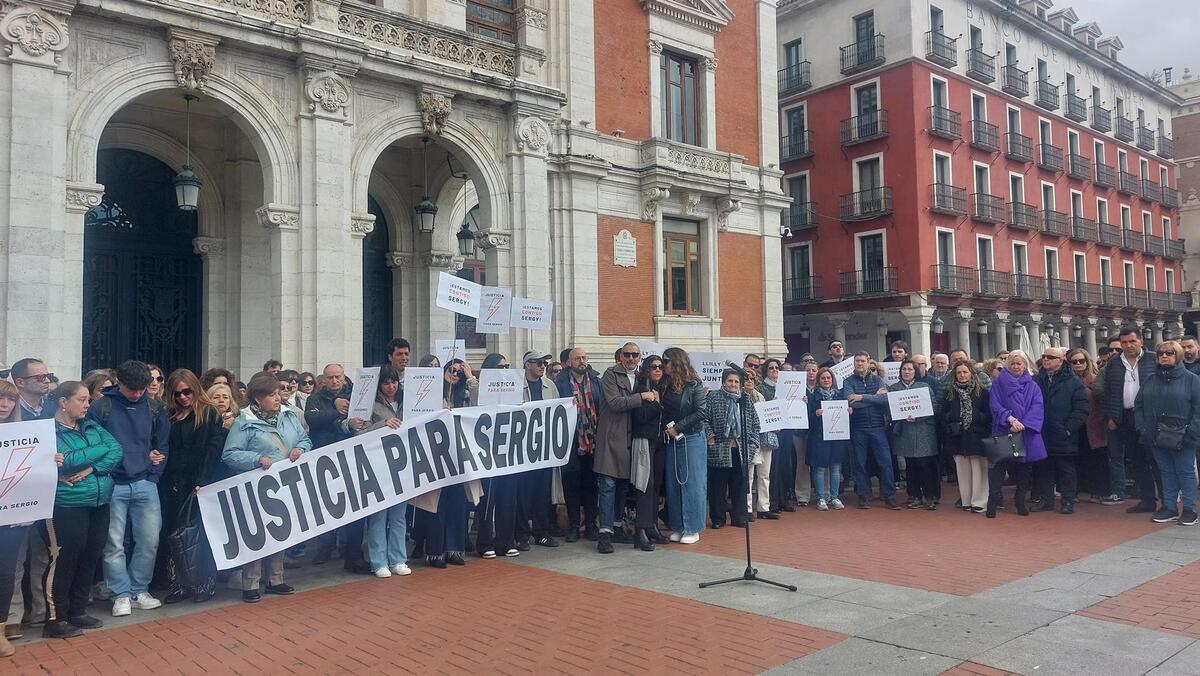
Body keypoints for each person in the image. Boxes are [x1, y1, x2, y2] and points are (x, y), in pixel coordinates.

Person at [36, 382, 120, 639]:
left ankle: (78, 611)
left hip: (99, 501)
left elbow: (116, 450)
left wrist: (92, 467)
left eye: (87, 400)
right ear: (63, 402)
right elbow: (66, 461)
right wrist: (96, 452)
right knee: (64, 558)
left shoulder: (91, 426)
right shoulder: (48, 430)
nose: (87, 405)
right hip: (66, 503)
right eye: (82, 400)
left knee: (89, 555)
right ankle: (55, 618)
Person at [88, 360, 169, 617]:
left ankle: (138, 589)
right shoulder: (101, 407)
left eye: (142, 389)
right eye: (132, 389)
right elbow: (93, 444)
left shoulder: (155, 407)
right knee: (113, 543)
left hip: (144, 481)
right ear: (119, 383)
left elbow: (163, 445)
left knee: (149, 540)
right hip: (114, 483)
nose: (137, 394)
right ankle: (121, 593)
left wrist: (153, 474)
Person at [222, 372, 310, 601]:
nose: (277, 398)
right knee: (257, 534)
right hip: (256, 486)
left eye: (277, 393)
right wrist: (256, 459)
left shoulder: (289, 416)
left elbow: (305, 440)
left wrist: (300, 449)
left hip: (285, 483)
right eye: (271, 395)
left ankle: (276, 579)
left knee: (281, 530)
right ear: (258, 399)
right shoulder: (244, 422)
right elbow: (230, 454)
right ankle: (250, 582)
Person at [157, 369, 227, 603]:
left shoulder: (208, 414)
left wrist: (202, 481)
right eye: (177, 394)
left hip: (199, 483)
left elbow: (212, 450)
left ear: (195, 389)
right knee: (175, 534)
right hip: (172, 482)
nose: (183, 397)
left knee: (201, 535)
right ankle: (178, 584)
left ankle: (204, 583)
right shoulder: (169, 416)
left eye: (187, 392)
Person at [412, 360, 479, 568]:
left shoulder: (464, 395)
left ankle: (455, 549)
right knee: (437, 506)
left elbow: (481, 406)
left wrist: (470, 378)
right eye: (452, 370)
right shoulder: (432, 394)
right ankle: (435, 552)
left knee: (458, 504)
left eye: (459, 372)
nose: (455, 375)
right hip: (436, 457)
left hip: (460, 458)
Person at [304, 363, 370, 573]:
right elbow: (313, 419)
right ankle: (324, 548)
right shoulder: (315, 398)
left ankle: (352, 553)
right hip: (326, 459)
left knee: (356, 507)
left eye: (338, 377)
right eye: (330, 377)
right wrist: (335, 408)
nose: (334, 381)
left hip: (353, 457)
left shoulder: (358, 393)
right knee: (327, 505)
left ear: (344, 377)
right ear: (324, 379)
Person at [594, 343, 653, 554]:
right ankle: (604, 533)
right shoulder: (610, 375)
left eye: (634, 355)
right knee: (608, 486)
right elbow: (615, 403)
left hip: (631, 438)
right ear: (620, 356)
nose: (630, 358)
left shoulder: (642, 377)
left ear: (639, 357)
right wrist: (642, 397)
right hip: (611, 437)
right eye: (627, 354)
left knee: (622, 487)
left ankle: (617, 527)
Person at [1134, 340, 1200, 525]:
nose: (1164, 356)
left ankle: (1189, 509)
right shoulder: (1150, 379)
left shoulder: (1192, 379)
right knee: (1166, 472)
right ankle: (1169, 506)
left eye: (1169, 353)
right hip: (1155, 435)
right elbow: (1138, 406)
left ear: (1177, 356)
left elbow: (1198, 409)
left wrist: (1192, 433)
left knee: (1185, 471)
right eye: (1161, 353)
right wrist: (1143, 427)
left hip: (1183, 435)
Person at [356, 365, 410, 577]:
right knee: (379, 516)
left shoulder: (408, 401)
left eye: (394, 382)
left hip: (402, 464)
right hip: (377, 465)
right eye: (386, 383)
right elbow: (360, 432)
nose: (391, 387)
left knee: (398, 516)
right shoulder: (369, 405)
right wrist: (383, 425)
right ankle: (378, 561)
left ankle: (398, 559)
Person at [1103, 326, 1160, 513]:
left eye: (1132, 341)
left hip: (1151, 418)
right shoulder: (1113, 364)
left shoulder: (1154, 359)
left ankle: (1167, 501)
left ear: (1141, 341)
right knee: (1137, 460)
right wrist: (1112, 416)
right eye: (1124, 342)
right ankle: (1147, 500)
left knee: (1156, 460)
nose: (1128, 346)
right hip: (1125, 417)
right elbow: (1108, 392)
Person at [472, 353, 521, 559]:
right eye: (501, 365)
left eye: (508, 365)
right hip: (487, 452)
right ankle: (485, 542)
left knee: (508, 498)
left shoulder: (514, 389)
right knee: (488, 499)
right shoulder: (478, 389)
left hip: (508, 451)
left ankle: (506, 541)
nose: (505, 369)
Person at [988, 350, 1047, 517]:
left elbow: (1038, 406)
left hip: (1025, 431)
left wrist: (1024, 424)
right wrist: (1010, 419)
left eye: (1019, 363)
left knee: (1024, 470)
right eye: (1012, 363)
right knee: (999, 469)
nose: (1015, 366)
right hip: (1005, 429)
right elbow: (995, 405)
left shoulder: (1032, 385)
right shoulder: (998, 383)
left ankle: (1020, 501)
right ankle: (993, 502)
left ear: (1024, 365)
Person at [1032, 347, 1089, 514]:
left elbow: (1081, 408)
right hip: (1041, 432)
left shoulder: (1073, 381)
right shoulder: (1036, 379)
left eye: (1050, 357)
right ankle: (1046, 500)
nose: (1046, 359)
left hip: (1063, 433)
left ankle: (1068, 501)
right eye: (1044, 356)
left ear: (1061, 360)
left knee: (1066, 469)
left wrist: (1068, 429)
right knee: (1043, 468)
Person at [660, 348, 707, 544]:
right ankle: (678, 526)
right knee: (674, 483)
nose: (663, 366)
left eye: (666, 362)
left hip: (692, 437)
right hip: (672, 439)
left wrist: (678, 428)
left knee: (692, 483)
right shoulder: (665, 385)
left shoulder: (694, 385)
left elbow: (701, 412)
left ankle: (693, 527)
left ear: (676, 363)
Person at [555, 347, 601, 542]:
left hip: (593, 441)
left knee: (591, 485)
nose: (582, 361)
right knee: (571, 486)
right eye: (577, 358)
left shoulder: (596, 380)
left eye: (584, 358)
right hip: (570, 441)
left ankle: (591, 524)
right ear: (569, 362)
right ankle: (573, 525)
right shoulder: (560, 383)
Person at [843, 352, 899, 509]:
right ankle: (863, 496)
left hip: (878, 428)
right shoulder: (848, 381)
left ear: (868, 363)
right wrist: (873, 397)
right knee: (860, 464)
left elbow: (885, 399)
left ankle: (890, 496)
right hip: (858, 428)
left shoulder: (878, 379)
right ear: (853, 364)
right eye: (857, 361)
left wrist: (861, 397)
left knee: (886, 463)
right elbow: (850, 403)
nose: (860, 363)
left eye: (862, 361)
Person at [705, 369, 759, 528]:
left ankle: (739, 517)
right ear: (723, 382)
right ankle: (718, 518)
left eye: (736, 382)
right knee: (718, 486)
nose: (733, 384)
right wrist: (710, 437)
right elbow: (704, 420)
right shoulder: (713, 397)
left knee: (740, 485)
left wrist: (753, 442)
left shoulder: (745, 399)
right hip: (720, 447)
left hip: (741, 449)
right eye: (730, 381)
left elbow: (755, 422)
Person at [520, 352, 560, 549]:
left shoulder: (550, 386)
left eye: (544, 363)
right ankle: (521, 534)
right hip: (523, 448)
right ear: (527, 365)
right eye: (538, 363)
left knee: (542, 493)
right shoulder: (518, 386)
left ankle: (541, 532)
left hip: (544, 448)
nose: (543, 366)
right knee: (523, 492)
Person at [941, 361, 991, 513]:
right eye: (959, 373)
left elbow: (989, 414)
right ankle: (966, 500)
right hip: (957, 436)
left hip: (977, 435)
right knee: (963, 471)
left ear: (971, 374)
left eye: (965, 372)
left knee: (979, 470)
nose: (962, 375)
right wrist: (952, 418)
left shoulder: (982, 392)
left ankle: (980, 502)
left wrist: (976, 417)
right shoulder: (949, 392)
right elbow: (942, 413)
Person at [890, 360, 939, 509]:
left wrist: (919, 417)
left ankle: (929, 496)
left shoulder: (924, 386)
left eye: (910, 369)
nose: (907, 372)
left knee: (924, 464)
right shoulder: (894, 388)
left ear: (915, 372)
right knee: (910, 465)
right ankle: (914, 496)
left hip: (924, 430)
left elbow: (934, 407)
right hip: (905, 431)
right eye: (904, 369)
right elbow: (890, 410)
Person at [630, 355, 667, 550]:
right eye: (654, 367)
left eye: (661, 367)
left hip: (658, 441)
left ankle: (652, 525)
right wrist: (656, 405)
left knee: (655, 486)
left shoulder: (660, 388)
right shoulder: (641, 389)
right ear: (646, 369)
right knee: (645, 485)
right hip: (643, 439)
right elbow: (639, 417)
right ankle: (640, 531)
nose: (658, 370)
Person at [1067, 348, 1108, 503]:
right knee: (1076, 458)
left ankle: (1097, 490)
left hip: (1094, 423)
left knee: (1096, 458)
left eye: (1081, 361)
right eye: (1074, 361)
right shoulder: (1067, 380)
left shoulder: (1095, 379)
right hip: (1075, 424)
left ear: (1087, 362)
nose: (1078, 364)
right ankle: (1077, 489)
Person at [807, 368, 847, 510]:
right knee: (820, 469)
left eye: (828, 378)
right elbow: (808, 417)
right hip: (819, 436)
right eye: (823, 378)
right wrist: (815, 414)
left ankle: (835, 497)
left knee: (836, 468)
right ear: (818, 380)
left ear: (832, 380)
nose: (826, 380)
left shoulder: (840, 395)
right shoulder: (812, 396)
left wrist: (848, 411)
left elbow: (846, 416)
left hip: (837, 436)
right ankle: (821, 498)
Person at [742, 369, 777, 520]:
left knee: (764, 474)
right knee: (748, 476)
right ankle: (747, 508)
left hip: (764, 439)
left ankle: (764, 507)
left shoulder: (760, 396)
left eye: (752, 379)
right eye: (746, 379)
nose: (749, 381)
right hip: (749, 440)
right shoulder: (739, 396)